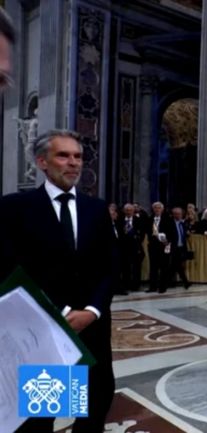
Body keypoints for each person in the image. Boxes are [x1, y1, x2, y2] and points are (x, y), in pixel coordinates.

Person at [0, 129, 118, 433]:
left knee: (92, 411)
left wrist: (93, 310)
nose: (73, 163)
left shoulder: (96, 209)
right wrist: (60, 311)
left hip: (91, 330)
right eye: (63, 155)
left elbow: (110, 267)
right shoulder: (16, 208)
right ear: (42, 162)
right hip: (44, 330)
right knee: (42, 416)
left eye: (78, 156)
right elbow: (9, 269)